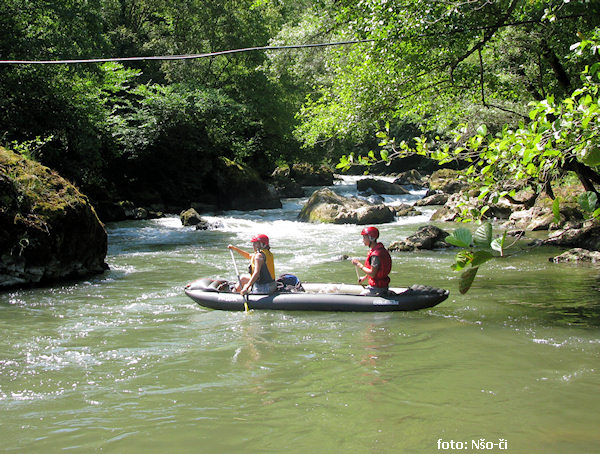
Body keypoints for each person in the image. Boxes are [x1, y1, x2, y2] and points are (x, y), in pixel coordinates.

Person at [351, 226, 392, 295]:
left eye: (364, 237)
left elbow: (372, 273)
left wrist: (359, 264)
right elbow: (376, 271)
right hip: (382, 286)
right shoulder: (379, 250)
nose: (363, 240)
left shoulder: (375, 255)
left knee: (362, 296)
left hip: (377, 288)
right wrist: (364, 278)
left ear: (371, 238)